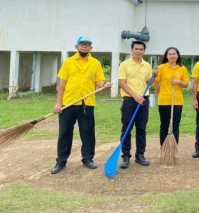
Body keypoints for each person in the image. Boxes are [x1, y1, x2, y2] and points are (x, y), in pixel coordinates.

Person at [51, 36, 111, 174]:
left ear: (91, 48)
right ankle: (61, 161)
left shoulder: (95, 63)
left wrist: (105, 85)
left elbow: (99, 82)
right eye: (82, 44)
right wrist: (58, 103)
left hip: (87, 104)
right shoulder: (68, 62)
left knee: (88, 132)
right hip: (68, 103)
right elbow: (62, 85)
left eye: (87, 44)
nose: (85, 46)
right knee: (65, 133)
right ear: (76, 46)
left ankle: (88, 158)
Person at [118, 40, 157, 169]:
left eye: (141, 49)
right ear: (132, 50)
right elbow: (122, 83)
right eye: (136, 49)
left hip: (143, 100)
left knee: (141, 128)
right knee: (127, 128)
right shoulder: (124, 65)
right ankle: (125, 156)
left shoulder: (147, 65)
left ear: (144, 51)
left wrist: (154, 77)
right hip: (129, 100)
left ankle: (140, 155)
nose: (138, 51)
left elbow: (147, 83)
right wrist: (135, 96)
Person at [154, 47, 189, 146]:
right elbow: (156, 81)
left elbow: (186, 84)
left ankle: (174, 148)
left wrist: (178, 82)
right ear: (166, 56)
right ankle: (163, 148)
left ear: (177, 55)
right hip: (164, 101)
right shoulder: (161, 67)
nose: (172, 56)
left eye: (174, 54)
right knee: (164, 126)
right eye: (170, 54)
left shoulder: (182, 68)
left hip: (177, 101)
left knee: (175, 126)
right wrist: (160, 93)